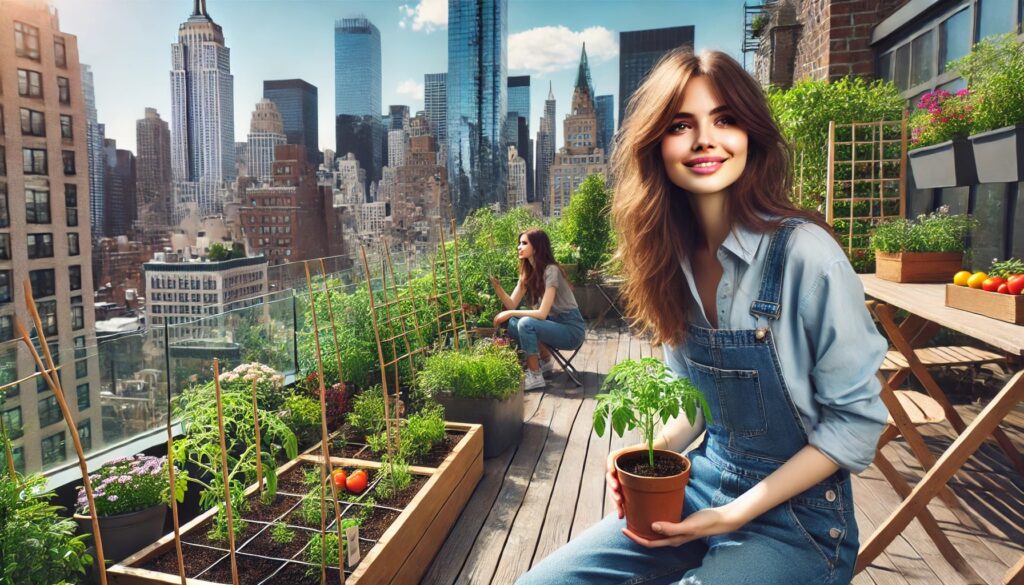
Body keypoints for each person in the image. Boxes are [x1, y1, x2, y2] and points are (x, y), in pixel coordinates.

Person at [516, 49, 888, 584]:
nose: (704, 140)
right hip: (700, 486)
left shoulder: (807, 255)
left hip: (799, 524)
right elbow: (693, 403)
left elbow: (855, 425)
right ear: (657, 146)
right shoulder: (666, 262)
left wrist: (735, 513)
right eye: (681, 125)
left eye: (725, 120)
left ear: (750, 135)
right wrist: (648, 450)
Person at [489, 229, 586, 391]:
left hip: (571, 330)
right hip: (552, 325)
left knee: (525, 323)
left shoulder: (551, 271)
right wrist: (497, 287)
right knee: (511, 322)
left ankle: (535, 376)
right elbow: (512, 304)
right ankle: (545, 362)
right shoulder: (528, 273)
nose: (519, 247)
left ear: (537, 247)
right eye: (519, 243)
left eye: (524, 243)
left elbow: (541, 313)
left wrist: (511, 312)